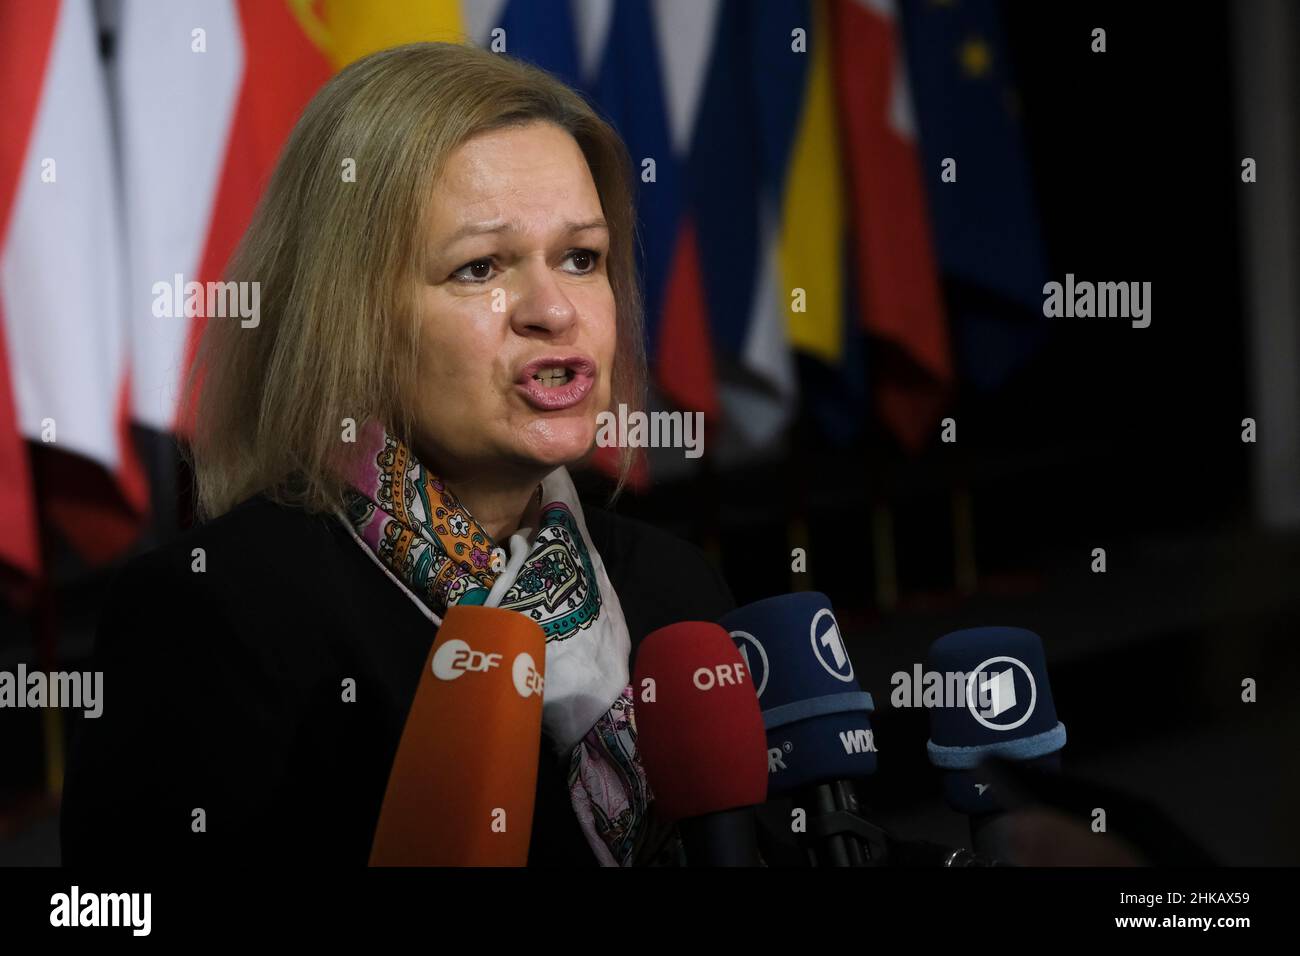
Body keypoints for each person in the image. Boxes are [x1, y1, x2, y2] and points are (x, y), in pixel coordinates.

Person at [60, 41, 733, 867]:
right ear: (350, 317)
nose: (555, 311)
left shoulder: (675, 587)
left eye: (581, 258)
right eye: (480, 266)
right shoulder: (213, 615)